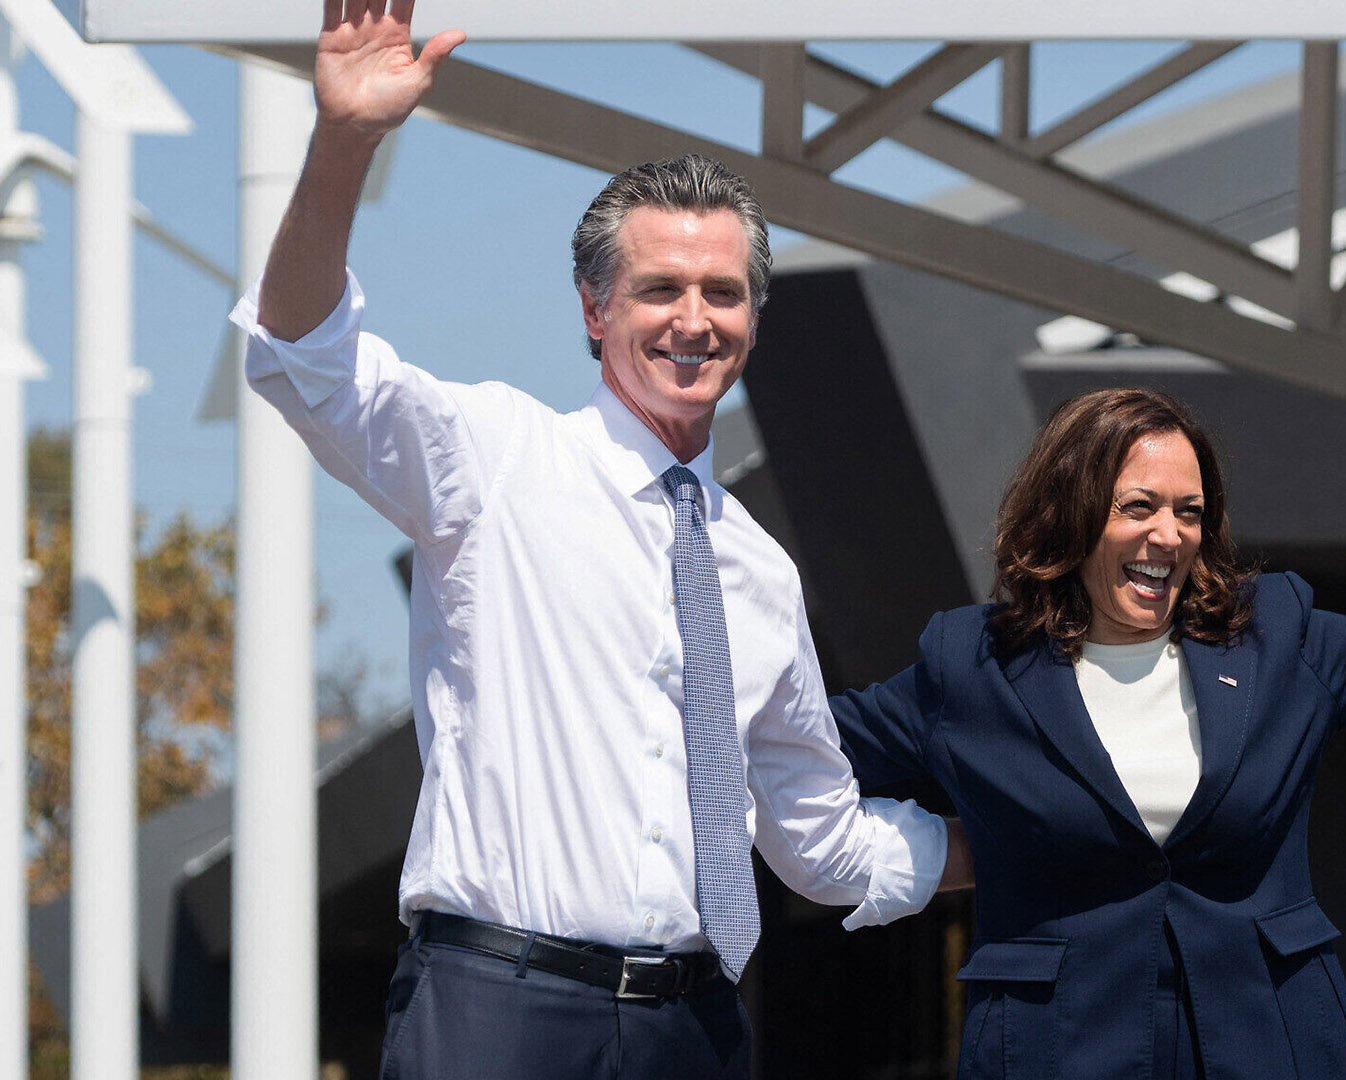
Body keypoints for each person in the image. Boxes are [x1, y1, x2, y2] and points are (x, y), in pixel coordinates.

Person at [231, 3, 962, 1078]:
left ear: (755, 320)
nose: (693, 319)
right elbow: (302, 359)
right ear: (594, 310)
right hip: (496, 1013)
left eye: (723, 292)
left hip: (696, 1024)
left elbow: (819, 841)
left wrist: (1030, 841)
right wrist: (344, 139)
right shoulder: (496, 461)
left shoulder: (758, 569)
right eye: (658, 288)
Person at [831, 256, 1346, 1080]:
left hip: (1275, 1046)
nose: (1168, 537)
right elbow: (797, 751)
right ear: (1068, 514)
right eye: (1138, 507)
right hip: (1056, 1052)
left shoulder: (1278, 637)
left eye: (1189, 513)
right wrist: (922, 849)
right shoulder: (971, 666)